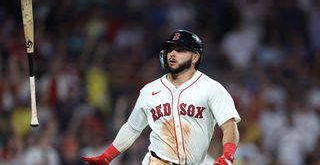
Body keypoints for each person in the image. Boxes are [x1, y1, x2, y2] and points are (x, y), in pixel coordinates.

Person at [82, 30, 241, 165]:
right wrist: (107, 156)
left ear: (195, 57)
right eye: (170, 49)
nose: (172, 53)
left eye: (180, 50)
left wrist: (228, 155)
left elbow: (229, 124)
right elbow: (132, 127)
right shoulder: (150, 90)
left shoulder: (211, 88)